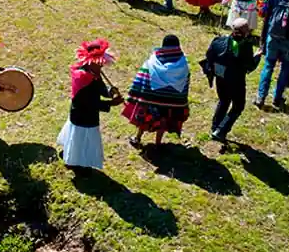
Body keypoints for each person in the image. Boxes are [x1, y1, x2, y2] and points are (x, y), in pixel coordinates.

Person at [57, 39, 123, 174]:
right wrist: (111, 103)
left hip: (87, 114)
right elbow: (90, 103)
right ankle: (77, 164)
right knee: (81, 141)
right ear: (90, 62)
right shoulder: (83, 78)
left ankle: (72, 155)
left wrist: (109, 93)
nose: (102, 67)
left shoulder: (94, 74)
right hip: (83, 115)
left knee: (78, 140)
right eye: (99, 65)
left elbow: (100, 88)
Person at [123, 35, 191, 147]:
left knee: (145, 118)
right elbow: (185, 83)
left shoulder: (152, 61)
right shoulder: (183, 64)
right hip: (171, 100)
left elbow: (142, 78)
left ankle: (138, 137)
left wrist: (136, 93)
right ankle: (158, 143)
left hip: (150, 98)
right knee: (164, 119)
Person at [203, 18, 262, 142]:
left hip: (220, 78)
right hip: (236, 81)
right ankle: (221, 130)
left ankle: (215, 127)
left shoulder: (218, 41)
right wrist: (257, 56)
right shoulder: (245, 46)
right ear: (246, 32)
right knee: (238, 105)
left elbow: (209, 56)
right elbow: (249, 66)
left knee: (223, 101)